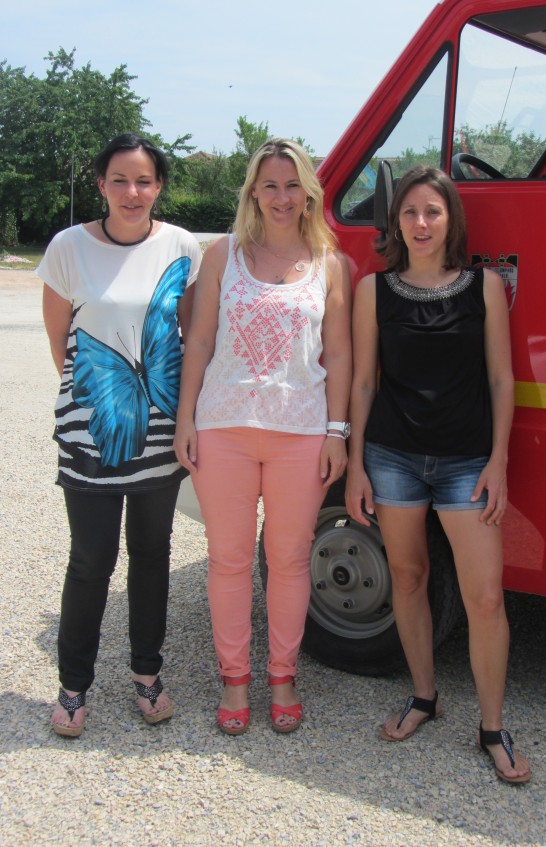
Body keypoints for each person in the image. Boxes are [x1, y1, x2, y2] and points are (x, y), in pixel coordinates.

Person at [345, 165, 531, 784]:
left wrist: (499, 461)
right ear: (395, 223)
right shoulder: (374, 291)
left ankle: (493, 728)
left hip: (466, 464)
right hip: (393, 458)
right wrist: (356, 465)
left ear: (451, 220)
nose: (421, 224)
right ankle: (424, 696)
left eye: (433, 212)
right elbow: (364, 381)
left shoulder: (484, 289)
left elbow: (503, 379)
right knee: (408, 575)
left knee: (485, 597)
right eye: (409, 214)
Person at [174, 138, 352, 735]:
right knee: (226, 560)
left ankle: (282, 673)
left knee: (290, 558)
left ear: (309, 193)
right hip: (222, 428)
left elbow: (341, 354)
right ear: (253, 190)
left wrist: (337, 431)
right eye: (270, 185)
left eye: (292, 184)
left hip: (301, 434)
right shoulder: (222, 255)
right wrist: (185, 419)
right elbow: (199, 340)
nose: (281, 197)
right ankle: (233, 678)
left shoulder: (332, 263)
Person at [39, 133, 201, 737]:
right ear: (102, 184)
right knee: (90, 560)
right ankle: (73, 687)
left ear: (158, 186)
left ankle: (146, 674)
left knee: (152, 556)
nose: (132, 192)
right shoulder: (68, 247)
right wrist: (96, 402)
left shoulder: (182, 247)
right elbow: (60, 340)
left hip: (160, 433)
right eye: (119, 180)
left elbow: (191, 340)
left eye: (144, 181)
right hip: (93, 432)